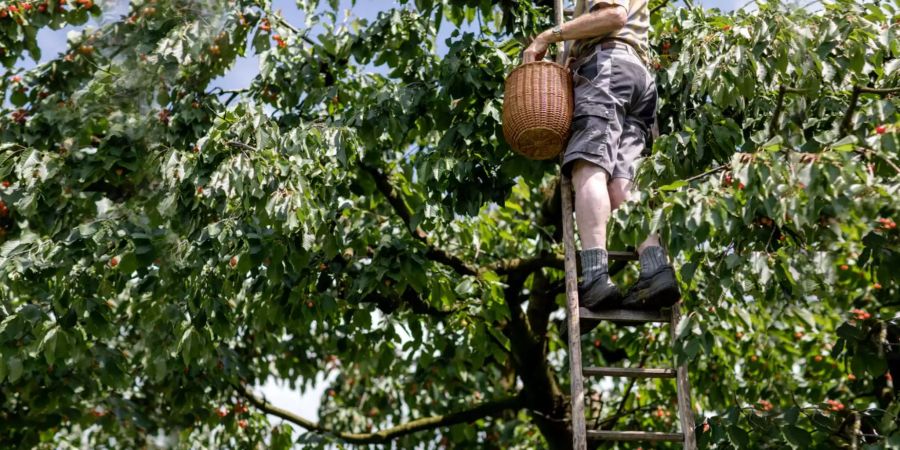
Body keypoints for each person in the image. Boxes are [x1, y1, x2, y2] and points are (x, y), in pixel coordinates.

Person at [523, 0, 679, 315]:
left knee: (588, 169)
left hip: (608, 69)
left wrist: (547, 36)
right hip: (637, 77)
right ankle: (655, 270)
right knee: (623, 183)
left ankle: (594, 276)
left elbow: (614, 16)